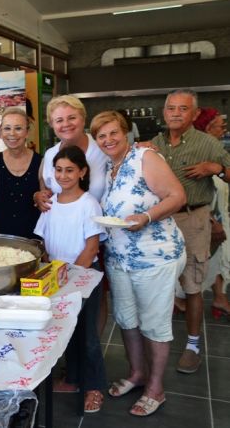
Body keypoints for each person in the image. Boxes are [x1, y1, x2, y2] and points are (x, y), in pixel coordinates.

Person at [91, 111, 186, 416]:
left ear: (126, 132)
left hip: (154, 256)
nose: (108, 140)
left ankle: (156, 389)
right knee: (127, 319)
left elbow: (177, 196)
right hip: (120, 257)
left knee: (154, 324)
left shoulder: (145, 156)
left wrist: (146, 217)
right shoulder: (109, 167)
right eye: (101, 136)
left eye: (113, 133)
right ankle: (137, 373)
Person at [151, 89, 230, 374]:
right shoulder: (155, 144)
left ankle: (193, 345)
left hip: (194, 219)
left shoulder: (207, 143)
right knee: (159, 283)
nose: (174, 113)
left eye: (182, 109)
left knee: (192, 285)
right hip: (160, 221)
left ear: (195, 114)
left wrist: (216, 168)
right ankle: (156, 340)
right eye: (170, 108)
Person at [33, 145, 107, 413]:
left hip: (83, 277)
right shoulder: (50, 202)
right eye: (59, 170)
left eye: (70, 171)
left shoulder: (88, 203)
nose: (63, 176)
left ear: (82, 172)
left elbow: (91, 248)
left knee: (87, 337)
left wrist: (71, 276)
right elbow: (43, 241)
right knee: (68, 333)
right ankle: (74, 378)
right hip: (57, 277)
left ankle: (94, 388)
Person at [192, 107, 230, 318]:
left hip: (220, 216)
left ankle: (219, 297)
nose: (224, 129)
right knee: (205, 260)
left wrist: (220, 170)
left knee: (218, 258)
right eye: (219, 125)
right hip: (206, 219)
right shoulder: (198, 154)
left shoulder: (216, 152)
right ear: (206, 127)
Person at [0, 107, 41, 238]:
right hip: (1, 239)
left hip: (33, 238)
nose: (12, 134)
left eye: (18, 128)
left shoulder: (41, 162)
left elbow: (45, 206)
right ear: (1, 132)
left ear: (27, 131)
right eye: (7, 128)